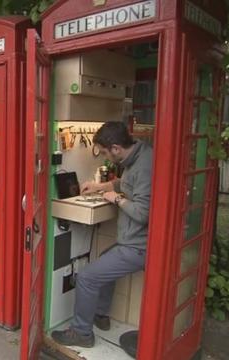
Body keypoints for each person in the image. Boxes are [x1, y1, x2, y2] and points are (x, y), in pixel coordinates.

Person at [52, 121, 152, 348]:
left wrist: (115, 199)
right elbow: (126, 183)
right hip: (133, 241)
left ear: (116, 148)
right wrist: (101, 188)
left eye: (106, 152)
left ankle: (81, 333)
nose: (105, 156)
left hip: (140, 246)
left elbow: (143, 213)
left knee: (87, 277)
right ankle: (99, 313)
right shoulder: (139, 154)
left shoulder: (144, 166)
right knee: (103, 263)